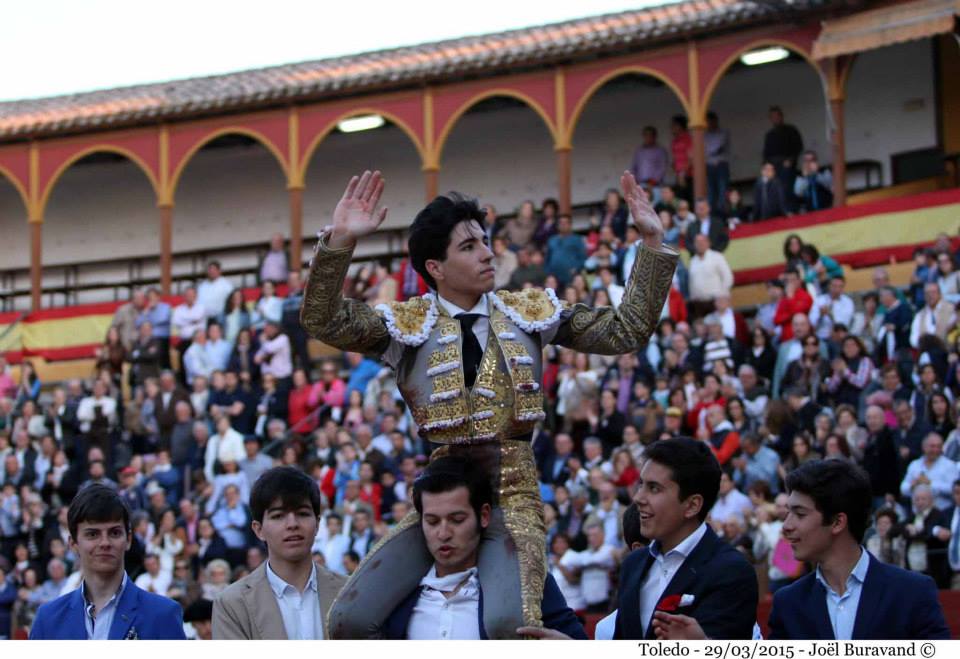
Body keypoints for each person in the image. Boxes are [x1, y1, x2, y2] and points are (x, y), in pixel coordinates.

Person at [302, 170, 676, 638]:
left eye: (484, 241)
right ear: (434, 268)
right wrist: (338, 242)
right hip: (439, 501)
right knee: (347, 619)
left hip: (513, 497)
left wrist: (652, 243)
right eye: (468, 246)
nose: (485, 253)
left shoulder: (530, 312)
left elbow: (627, 330)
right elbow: (322, 319)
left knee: (508, 625)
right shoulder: (406, 324)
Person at [382, 456, 585, 639]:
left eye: (457, 520)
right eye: (432, 521)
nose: (443, 533)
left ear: (484, 516)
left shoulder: (523, 581)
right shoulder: (400, 593)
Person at [767, 460, 949, 640]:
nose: (786, 526)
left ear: (838, 522)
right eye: (788, 513)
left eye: (800, 514)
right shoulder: (788, 603)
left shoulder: (912, 592)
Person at [612, 438, 757, 639]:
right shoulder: (633, 564)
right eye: (641, 485)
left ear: (692, 505)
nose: (638, 498)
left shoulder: (732, 571)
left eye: (654, 488)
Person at [28, 484, 186, 639]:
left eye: (114, 533)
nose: (104, 543)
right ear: (73, 544)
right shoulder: (48, 619)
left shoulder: (162, 615)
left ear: (129, 539)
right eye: (92, 534)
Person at [212, 467, 346, 639]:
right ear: (258, 529)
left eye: (303, 514)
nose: (292, 524)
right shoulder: (232, 604)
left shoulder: (348, 593)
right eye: (278, 516)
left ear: (318, 524)